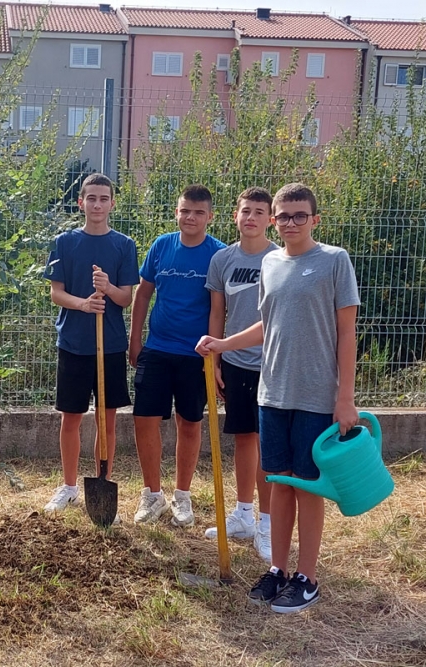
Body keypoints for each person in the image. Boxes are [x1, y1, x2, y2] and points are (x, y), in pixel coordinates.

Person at [197, 183, 359, 613]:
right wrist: (222, 344)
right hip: (272, 393)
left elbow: (347, 332)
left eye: (299, 215)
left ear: (315, 219)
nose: (291, 223)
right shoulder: (270, 262)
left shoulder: (334, 261)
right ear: (274, 220)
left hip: (316, 397)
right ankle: (279, 570)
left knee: (307, 486)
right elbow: (267, 324)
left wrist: (345, 398)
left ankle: (308, 577)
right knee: (280, 482)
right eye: (284, 216)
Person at [129, 184, 225, 526]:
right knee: (144, 418)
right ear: (176, 212)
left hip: (196, 354)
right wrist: (135, 340)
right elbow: (143, 294)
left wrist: (215, 355)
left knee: (190, 422)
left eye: (198, 212)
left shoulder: (219, 254)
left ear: (210, 216)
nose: (191, 217)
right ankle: (152, 495)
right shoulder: (161, 245)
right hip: (157, 348)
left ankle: (182, 496)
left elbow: (219, 308)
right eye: (185, 211)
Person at [42, 174, 138, 514]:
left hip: (109, 345)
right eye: (91, 198)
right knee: (71, 418)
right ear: (81, 203)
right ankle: (69, 487)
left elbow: (126, 298)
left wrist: (108, 288)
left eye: (104, 198)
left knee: (106, 420)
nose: (97, 204)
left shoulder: (124, 245)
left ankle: (102, 482)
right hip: (74, 343)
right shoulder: (64, 242)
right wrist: (83, 304)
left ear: (112, 203)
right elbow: (56, 293)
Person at [202, 187, 278, 562]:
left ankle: (267, 524)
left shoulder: (280, 259)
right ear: (235, 215)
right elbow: (218, 313)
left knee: (267, 444)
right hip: (234, 364)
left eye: (259, 212)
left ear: (271, 220)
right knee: (244, 439)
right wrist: (216, 359)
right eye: (245, 211)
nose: (251, 217)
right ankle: (244, 515)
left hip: (272, 365)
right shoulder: (222, 259)